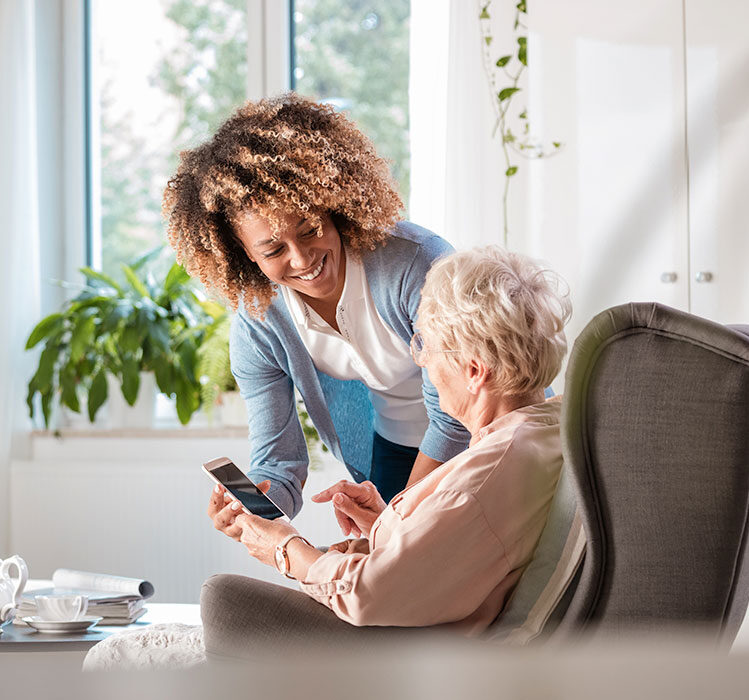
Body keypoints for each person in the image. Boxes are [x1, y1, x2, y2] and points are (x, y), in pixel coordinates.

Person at [201, 245, 572, 657]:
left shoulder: (486, 474)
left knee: (224, 598)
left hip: (416, 647)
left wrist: (284, 549)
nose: (424, 365)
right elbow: (461, 545)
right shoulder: (545, 432)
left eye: (425, 348)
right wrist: (389, 522)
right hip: (429, 609)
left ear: (473, 371)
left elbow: (368, 592)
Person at [163, 93, 469, 514]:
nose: (302, 259)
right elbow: (280, 462)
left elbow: (458, 410)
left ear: (332, 208)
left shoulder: (415, 263)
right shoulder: (260, 323)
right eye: (273, 250)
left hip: (481, 436)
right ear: (243, 253)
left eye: (309, 229)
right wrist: (257, 506)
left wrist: (398, 519)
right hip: (396, 453)